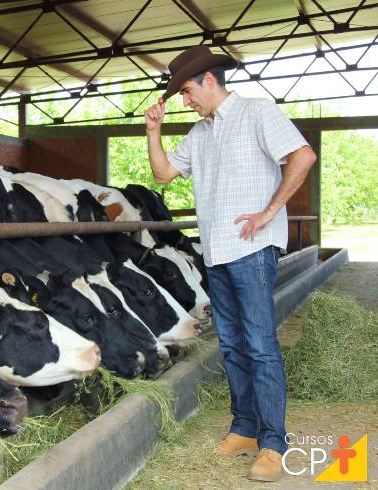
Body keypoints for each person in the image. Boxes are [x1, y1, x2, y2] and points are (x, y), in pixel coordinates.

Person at [145, 45, 317, 482]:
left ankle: (274, 442)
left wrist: (269, 210)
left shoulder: (258, 112)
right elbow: (163, 174)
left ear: (209, 80)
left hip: (252, 250)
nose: (185, 100)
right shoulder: (200, 133)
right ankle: (244, 426)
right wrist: (154, 130)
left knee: (260, 346)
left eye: (186, 91)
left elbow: (303, 156)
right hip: (216, 252)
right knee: (233, 345)